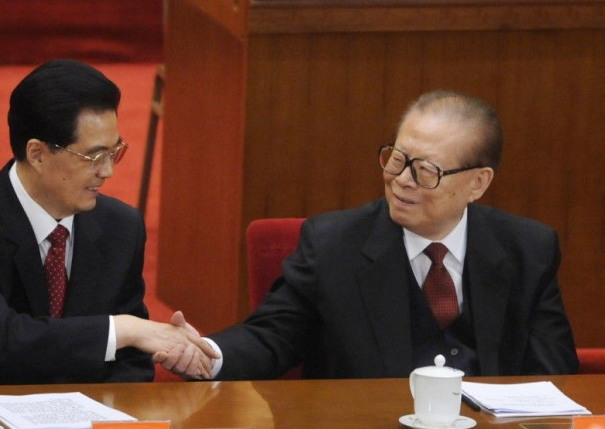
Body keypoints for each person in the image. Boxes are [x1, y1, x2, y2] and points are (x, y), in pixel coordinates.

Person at [155, 89, 579, 380]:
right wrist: (207, 355)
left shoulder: (528, 249)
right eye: (396, 159)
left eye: (425, 171)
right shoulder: (333, 245)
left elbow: (554, 373)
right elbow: (272, 336)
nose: (402, 181)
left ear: (478, 183)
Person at [0, 59, 218, 386]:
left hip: (83, 425)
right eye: (94, 157)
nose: (108, 172)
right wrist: (123, 329)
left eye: (114, 152)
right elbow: (4, 341)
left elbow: (130, 363)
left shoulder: (121, 227)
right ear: (37, 154)